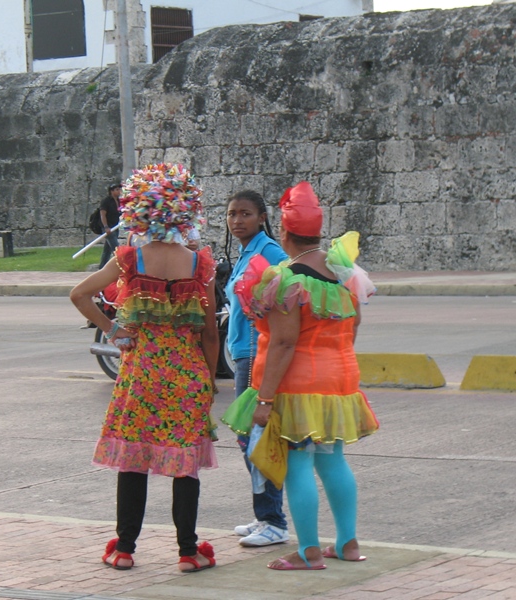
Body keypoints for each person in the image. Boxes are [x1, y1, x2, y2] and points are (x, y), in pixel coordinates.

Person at [70, 163, 220, 573]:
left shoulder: (129, 259)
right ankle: (188, 552)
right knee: (184, 463)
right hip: (187, 373)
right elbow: (209, 333)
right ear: (185, 208)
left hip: (141, 375)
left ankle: (123, 548)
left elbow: (79, 294)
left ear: (139, 209)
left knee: (134, 460)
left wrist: (114, 330)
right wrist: (208, 379)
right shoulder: (198, 264)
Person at [223, 181, 379, 570]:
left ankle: (309, 550)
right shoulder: (343, 271)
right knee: (333, 461)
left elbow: (283, 343)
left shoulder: (286, 278)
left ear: (286, 232)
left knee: (297, 465)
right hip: (340, 382)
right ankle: (346, 543)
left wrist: (264, 399)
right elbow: (354, 324)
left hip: (297, 385)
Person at [224, 190, 290, 547]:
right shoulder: (246, 253)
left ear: (263, 217)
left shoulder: (270, 253)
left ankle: (274, 521)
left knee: (255, 438)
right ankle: (265, 514)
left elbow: (285, 300)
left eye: (245, 214)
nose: (237, 221)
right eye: (232, 214)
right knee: (247, 437)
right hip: (242, 353)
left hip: (256, 355)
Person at [98, 182, 122, 268]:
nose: (119, 191)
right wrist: (106, 227)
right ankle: (122, 265)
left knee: (107, 250)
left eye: (119, 189)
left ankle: (102, 267)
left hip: (115, 227)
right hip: (108, 228)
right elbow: (102, 215)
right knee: (116, 248)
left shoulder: (119, 201)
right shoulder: (106, 201)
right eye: (117, 190)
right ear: (111, 191)